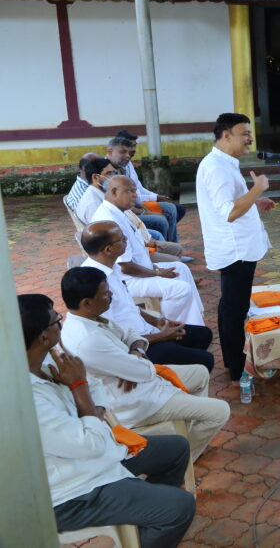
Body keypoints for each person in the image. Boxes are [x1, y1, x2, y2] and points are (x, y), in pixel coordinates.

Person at [19, 294, 196, 547]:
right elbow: (90, 442)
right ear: (43, 336)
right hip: (71, 492)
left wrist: (91, 407)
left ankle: (144, 518)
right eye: (56, 320)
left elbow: (95, 385)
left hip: (96, 454)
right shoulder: (26, 399)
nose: (62, 323)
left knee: (176, 448)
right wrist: (79, 390)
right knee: (180, 507)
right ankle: (154, 513)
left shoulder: (48, 358)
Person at [58, 267, 230, 461]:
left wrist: (135, 353)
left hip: (140, 382)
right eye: (105, 294)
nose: (111, 296)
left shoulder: (91, 318)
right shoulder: (88, 340)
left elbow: (132, 335)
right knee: (220, 411)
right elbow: (144, 371)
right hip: (135, 401)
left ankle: (190, 440)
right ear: (87, 303)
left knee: (200, 372)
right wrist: (135, 361)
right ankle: (183, 458)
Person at [195, 112, 275, 382]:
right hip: (235, 249)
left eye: (249, 133)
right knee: (234, 309)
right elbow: (229, 212)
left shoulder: (223, 162)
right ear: (226, 135)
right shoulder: (216, 167)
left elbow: (229, 202)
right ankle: (237, 368)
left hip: (238, 247)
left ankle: (234, 361)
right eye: (245, 134)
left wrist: (254, 202)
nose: (250, 138)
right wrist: (257, 189)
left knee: (231, 305)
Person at [80, 221, 215, 371]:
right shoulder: (94, 284)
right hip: (135, 345)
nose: (126, 239)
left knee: (203, 334)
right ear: (108, 249)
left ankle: (177, 375)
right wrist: (160, 337)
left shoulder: (112, 266)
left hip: (146, 331)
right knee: (205, 360)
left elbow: (130, 307)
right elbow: (114, 337)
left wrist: (158, 321)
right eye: (121, 239)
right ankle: (171, 376)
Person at [91, 177, 204, 327]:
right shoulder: (110, 219)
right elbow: (124, 266)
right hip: (127, 280)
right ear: (114, 191)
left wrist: (155, 268)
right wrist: (157, 273)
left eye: (135, 191)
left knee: (181, 268)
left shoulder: (121, 212)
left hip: (140, 270)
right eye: (130, 191)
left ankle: (195, 322)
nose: (135, 195)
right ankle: (172, 327)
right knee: (180, 289)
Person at [108, 133, 186, 243]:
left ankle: (171, 245)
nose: (130, 152)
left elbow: (138, 188)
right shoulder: (108, 171)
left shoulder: (126, 164)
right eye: (124, 151)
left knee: (172, 209)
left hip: (136, 204)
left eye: (133, 147)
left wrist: (155, 197)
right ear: (110, 152)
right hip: (129, 212)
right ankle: (164, 247)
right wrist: (147, 208)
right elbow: (126, 203)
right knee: (163, 219)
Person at [74, 157, 119, 224]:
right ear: (95, 177)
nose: (114, 177)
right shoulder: (94, 204)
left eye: (114, 172)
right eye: (109, 173)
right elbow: (104, 228)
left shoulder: (100, 194)